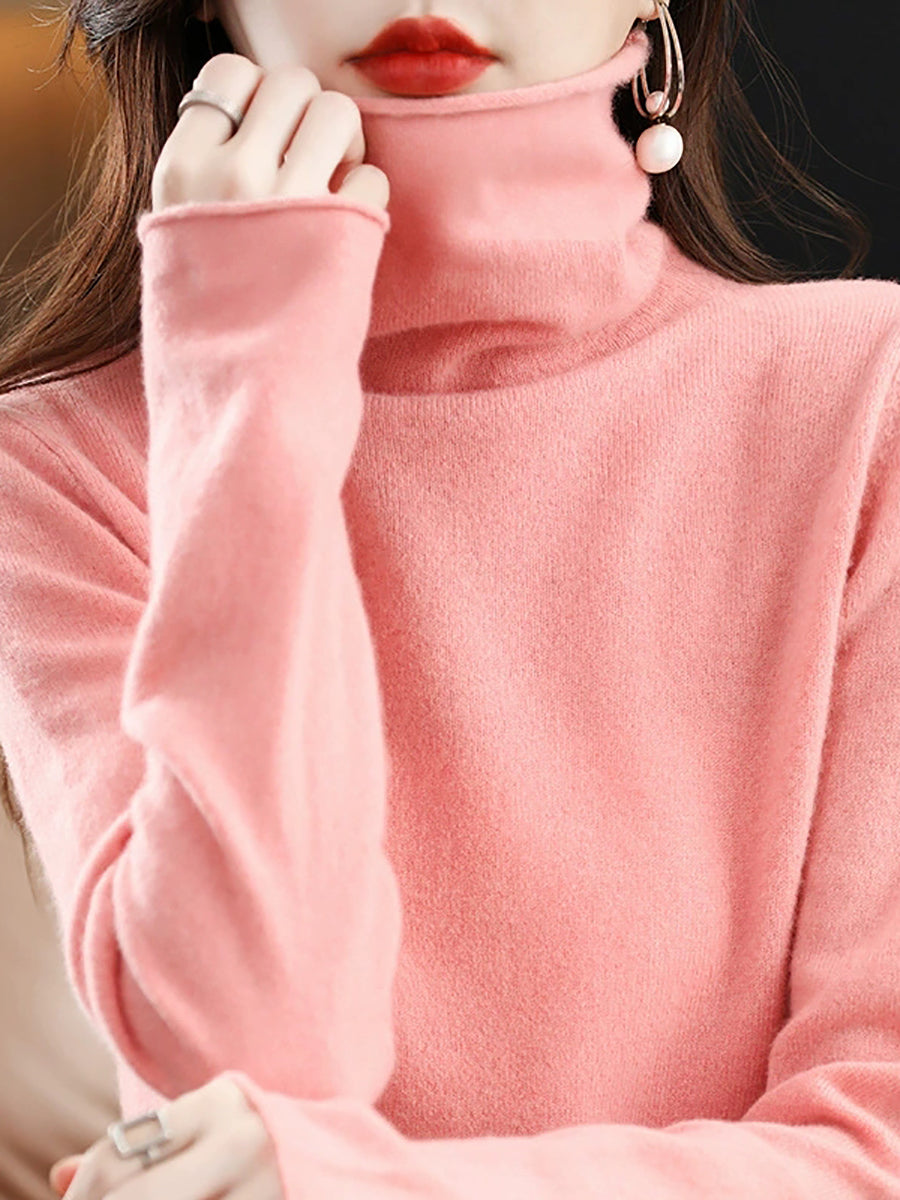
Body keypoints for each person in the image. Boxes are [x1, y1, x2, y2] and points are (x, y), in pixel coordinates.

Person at [1, 0, 899, 1197]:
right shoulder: (55, 468)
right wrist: (245, 373)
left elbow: (878, 1145)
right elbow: (259, 1053)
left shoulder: (866, 400)